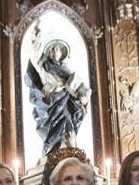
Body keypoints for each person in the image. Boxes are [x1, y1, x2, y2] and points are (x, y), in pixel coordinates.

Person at [24, 21, 90, 155]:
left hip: (66, 103)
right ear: (49, 52)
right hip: (51, 106)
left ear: (61, 53)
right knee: (54, 132)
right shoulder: (44, 68)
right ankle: (54, 152)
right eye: (52, 49)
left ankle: (72, 153)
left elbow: (79, 87)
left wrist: (82, 96)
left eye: (57, 49)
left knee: (69, 127)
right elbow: (35, 55)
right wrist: (36, 37)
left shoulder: (67, 71)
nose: (54, 52)